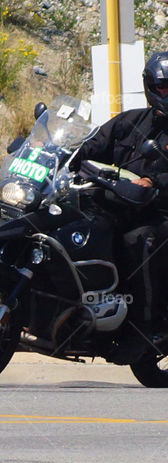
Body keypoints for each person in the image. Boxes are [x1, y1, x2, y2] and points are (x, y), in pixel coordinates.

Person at [69, 50, 168, 361]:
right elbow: (93, 146)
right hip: (118, 205)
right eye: (164, 87)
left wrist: (155, 182)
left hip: (159, 212)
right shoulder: (130, 121)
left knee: (138, 241)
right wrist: (62, 156)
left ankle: (145, 327)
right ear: (151, 86)